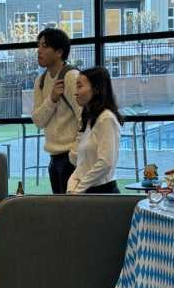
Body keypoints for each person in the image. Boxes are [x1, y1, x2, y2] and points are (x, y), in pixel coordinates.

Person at [31, 28, 81, 194]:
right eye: (38, 45)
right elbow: (38, 120)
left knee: (72, 208)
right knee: (60, 208)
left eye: (45, 46)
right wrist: (52, 99)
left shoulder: (71, 76)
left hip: (72, 159)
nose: (39, 51)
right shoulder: (41, 80)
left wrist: (74, 155)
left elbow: (85, 118)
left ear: (59, 52)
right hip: (54, 159)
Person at [66, 66, 123, 194]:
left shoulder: (106, 118)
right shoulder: (91, 119)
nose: (76, 92)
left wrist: (79, 189)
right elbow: (81, 164)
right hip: (88, 191)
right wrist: (72, 187)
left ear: (96, 89)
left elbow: (106, 162)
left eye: (80, 86)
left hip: (103, 193)